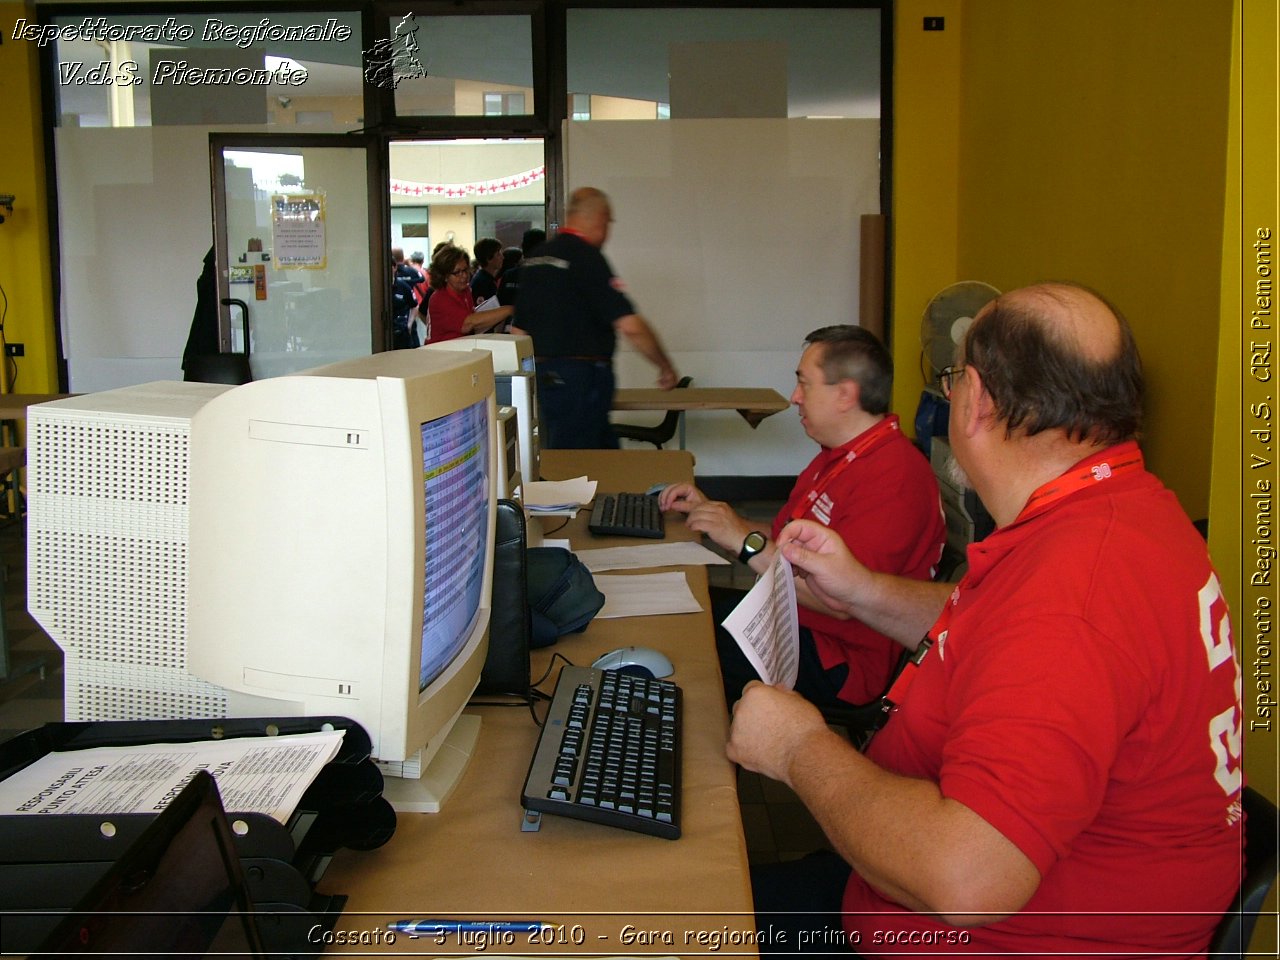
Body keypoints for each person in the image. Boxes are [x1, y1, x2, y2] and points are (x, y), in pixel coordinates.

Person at [729, 283, 1243, 957]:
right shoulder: (1124, 512)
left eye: (950, 381)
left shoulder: (1073, 592)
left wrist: (798, 747)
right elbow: (1003, 626)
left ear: (976, 399)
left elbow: (968, 883)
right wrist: (861, 591)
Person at [659, 326, 944, 709]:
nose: (795, 398)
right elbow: (783, 539)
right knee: (682, 611)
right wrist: (717, 517)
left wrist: (744, 542)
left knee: (681, 647)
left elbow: (840, 601)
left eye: (804, 384)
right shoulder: (839, 455)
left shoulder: (896, 476)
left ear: (845, 394)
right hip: (791, 620)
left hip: (840, 660)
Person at [513, 188, 677, 449]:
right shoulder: (587, 258)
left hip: (544, 378)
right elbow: (630, 326)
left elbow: (518, 332)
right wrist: (665, 366)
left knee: (601, 453)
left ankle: (616, 490)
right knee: (579, 465)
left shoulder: (536, 258)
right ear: (600, 219)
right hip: (582, 380)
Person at [424, 244, 513, 344]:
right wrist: (509, 309)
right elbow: (468, 323)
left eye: (465, 270)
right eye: (457, 272)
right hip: (441, 353)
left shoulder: (465, 291)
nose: (464, 276)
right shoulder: (440, 298)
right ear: (444, 276)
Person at [497, 228, 545, 309]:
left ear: (523, 248)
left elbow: (500, 303)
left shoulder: (509, 275)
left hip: (510, 319)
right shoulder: (546, 276)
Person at [390, 247, 421, 349]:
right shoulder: (380, 289)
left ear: (394, 267)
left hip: (403, 332)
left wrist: (409, 324)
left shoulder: (403, 286)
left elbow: (414, 305)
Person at [470, 237, 505, 304]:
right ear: (488, 258)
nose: (502, 257)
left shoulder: (487, 278)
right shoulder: (482, 283)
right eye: (498, 254)